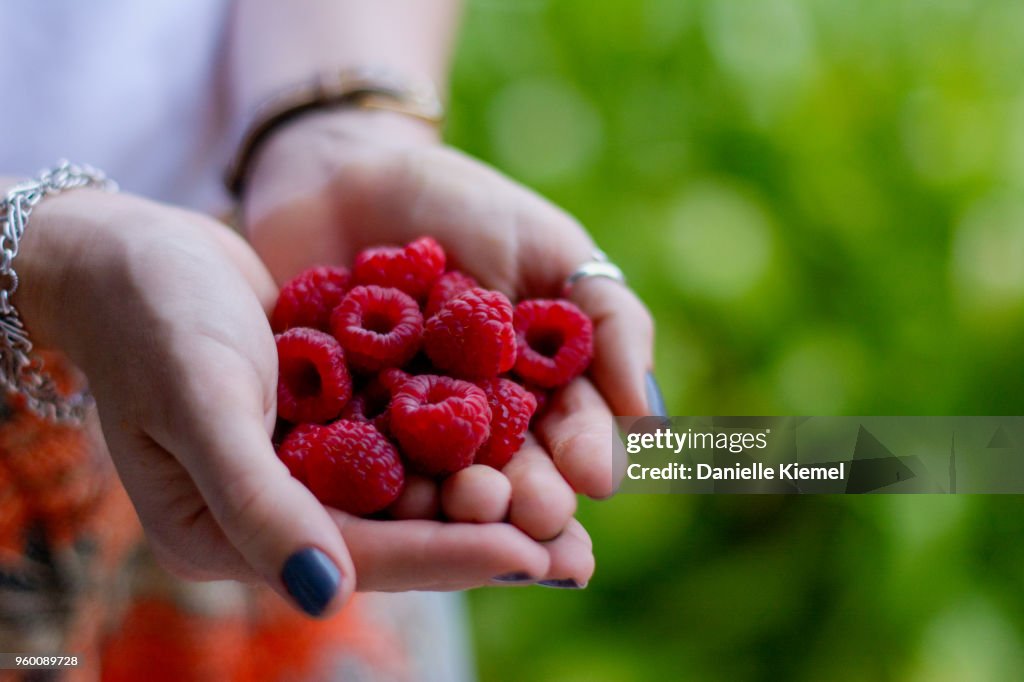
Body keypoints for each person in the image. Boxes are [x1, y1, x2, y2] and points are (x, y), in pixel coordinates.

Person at [0, 1, 663, 679]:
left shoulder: (330, 364)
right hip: (175, 311)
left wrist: (340, 132)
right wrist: (54, 257)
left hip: (225, 319)